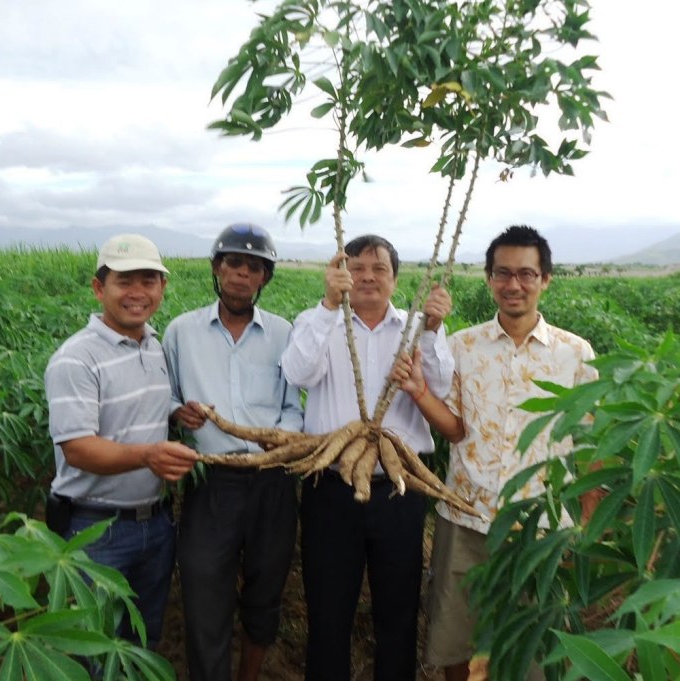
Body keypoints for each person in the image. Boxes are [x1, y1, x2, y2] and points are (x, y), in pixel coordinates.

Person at [391, 225, 600, 681]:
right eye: (503, 273)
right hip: (466, 514)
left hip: (540, 526)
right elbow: (456, 429)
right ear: (488, 279)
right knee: (456, 641)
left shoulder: (577, 355)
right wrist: (421, 393)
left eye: (526, 273)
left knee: (531, 647)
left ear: (546, 279)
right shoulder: (463, 345)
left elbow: (592, 445)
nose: (513, 284)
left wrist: (584, 524)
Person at [280, 234, 455, 681]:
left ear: (396, 279)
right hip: (330, 487)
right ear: (340, 273)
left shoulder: (419, 328)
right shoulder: (316, 321)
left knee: (398, 613)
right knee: (327, 610)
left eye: (379, 269)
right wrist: (327, 305)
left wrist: (433, 330)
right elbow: (298, 372)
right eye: (356, 267)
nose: (368, 277)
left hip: (400, 490)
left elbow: (441, 389)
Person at [162, 223, 304, 681]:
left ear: (265, 277)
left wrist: (280, 436)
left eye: (254, 267)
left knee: (266, 588)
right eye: (233, 263)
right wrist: (176, 411)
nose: (242, 274)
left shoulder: (284, 334)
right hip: (212, 480)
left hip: (272, 479)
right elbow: (161, 394)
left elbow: (293, 407)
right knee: (204, 587)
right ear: (217, 269)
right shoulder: (182, 333)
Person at [44, 233, 199, 651]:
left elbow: (143, 402)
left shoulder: (152, 344)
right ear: (99, 289)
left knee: (139, 646)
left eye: (148, 280)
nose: (137, 293)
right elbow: (77, 447)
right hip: (96, 530)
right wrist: (148, 455)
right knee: (95, 650)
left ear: (162, 288)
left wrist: (175, 411)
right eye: (124, 281)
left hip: (157, 526)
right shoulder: (76, 359)